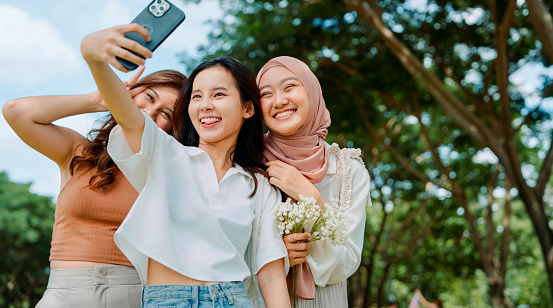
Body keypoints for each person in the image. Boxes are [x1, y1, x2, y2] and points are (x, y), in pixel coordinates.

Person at [80, 24, 291, 308]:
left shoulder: (259, 185)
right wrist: (93, 58)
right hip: (168, 300)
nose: (205, 105)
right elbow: (129, 116)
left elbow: (272, 276)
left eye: (218, 95)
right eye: (196, 96)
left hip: (233, 299)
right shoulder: (167, 155)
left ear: (248, 108)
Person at [3, 62, 186, 307]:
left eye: (166, 114)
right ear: (131, 92)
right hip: (62, 296)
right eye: (148, 97)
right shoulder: (79, 153)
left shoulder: (167, 173)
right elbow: (16, 111)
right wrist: (98, 99)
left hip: (134, 297)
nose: (149, 112)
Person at [257, 56, 372, 307]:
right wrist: (276, 253)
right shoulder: (249, 163)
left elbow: (348, 261)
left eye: (289, 87)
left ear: (312, 91)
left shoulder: (347, 170)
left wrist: (311, 198)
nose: (279, 101)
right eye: (266, 94)